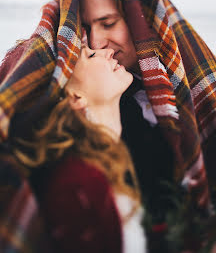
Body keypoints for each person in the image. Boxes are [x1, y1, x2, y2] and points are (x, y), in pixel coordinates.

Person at [0, 0, 216, 239]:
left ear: (141, 20)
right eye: (87, 29)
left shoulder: (189, 89)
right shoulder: (99, 109)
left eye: (108, 23)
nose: (96, 41)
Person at [13, 45, 147, 253]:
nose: (108, 51)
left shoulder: (100, 164)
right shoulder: (76, 183)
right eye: (91, 55)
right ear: (75, 97)